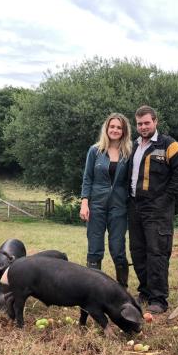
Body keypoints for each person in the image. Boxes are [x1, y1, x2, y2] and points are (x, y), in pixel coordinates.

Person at [128, 105, 178, 314]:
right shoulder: (133, 145)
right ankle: (144, 292)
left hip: (158, 209)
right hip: (135, 207)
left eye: (147, 122)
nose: (143, 127)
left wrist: (163, 202)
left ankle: (159, 299)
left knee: (157, 252)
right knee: (137, 251)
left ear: (155, 122)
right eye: (139, 124)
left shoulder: (169, 145)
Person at [80, 113, 133, 287]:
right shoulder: (95, 151)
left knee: (118, 248)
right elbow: (87, 178)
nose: (115, 130)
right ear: (107, 128)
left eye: (119, 127)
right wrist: (85, 203)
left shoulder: (129, 152)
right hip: (96, 206)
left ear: (124, 131)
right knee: (95, 249)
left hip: (119, 206)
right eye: (112, 126)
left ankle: (122, 289)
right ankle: (93, 289)